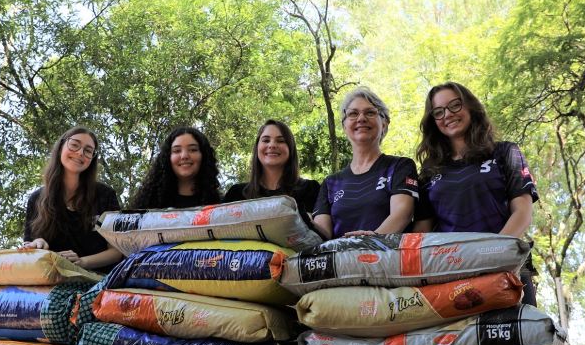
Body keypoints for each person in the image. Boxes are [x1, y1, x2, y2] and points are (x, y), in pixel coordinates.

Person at [413, 82, 539, 305]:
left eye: (455, 105)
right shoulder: (429, 171)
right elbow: (422, 232)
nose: (447, 115)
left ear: (470, 107)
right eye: (438, 112)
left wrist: (491, 256)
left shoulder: (505, 152)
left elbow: (522, 212)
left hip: (508, 271)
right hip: (453, 280)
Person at [313, 87, 419, 239]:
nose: (361, 118)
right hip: (342, 255)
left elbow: (403, 213)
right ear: (344, 126)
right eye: (353, 114)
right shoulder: (331, 183)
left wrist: (370, 241)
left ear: (384, 123)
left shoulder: (399, 166)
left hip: (387, 253)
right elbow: (321, 235)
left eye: (370, 112)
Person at [23, 126, 123, 272]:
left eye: (88, 150)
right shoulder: (36, 198)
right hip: (52, 277)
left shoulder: (105, 195)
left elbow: (117, 251)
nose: (80, 153)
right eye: (74, 145)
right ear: (60, 148)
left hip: (98, 280)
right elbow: (29, 247)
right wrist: (38, 243)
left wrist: (82, 262)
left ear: (92, 159)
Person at [223, 120, 320, 221]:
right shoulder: (236, 194)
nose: (272, 145)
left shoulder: (311, 189)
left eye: (281, 141)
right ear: (257, 148)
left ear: (290, 149)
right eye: (266, 140)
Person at [131, 126, 221, 209]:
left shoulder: (221, 206)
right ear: (167, 158)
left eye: (193, 150)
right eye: (177, 151)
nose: (184, 156)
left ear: (203, 155)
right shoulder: (147, 207)